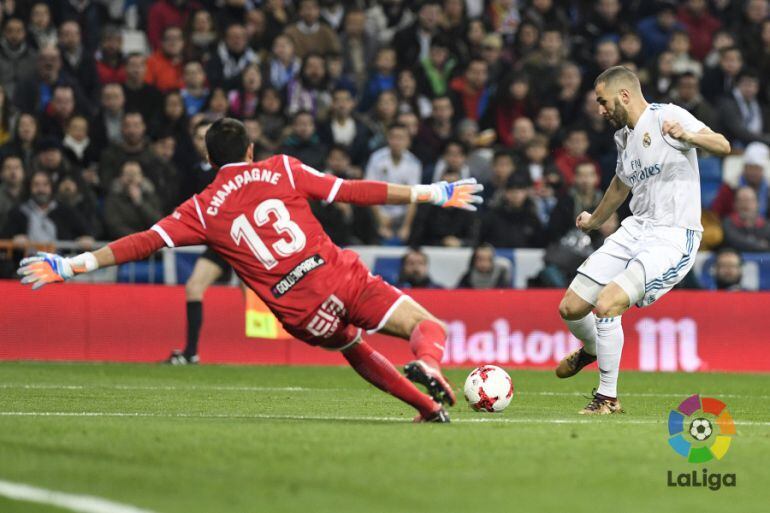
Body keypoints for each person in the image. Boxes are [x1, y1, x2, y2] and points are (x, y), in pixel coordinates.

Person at [18, 118, 485, 423]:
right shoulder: (281, 168)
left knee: (351, 344)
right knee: (427, 325)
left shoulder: (199, 209)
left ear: (208, 160)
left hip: (299, 312)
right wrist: (431, 193)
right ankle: (427, 363)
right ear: (250, 149)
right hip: (338, 275)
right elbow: (350, 191)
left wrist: (71, 264)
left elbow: (141, 244)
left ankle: (426, 407)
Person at [556, 66, 730, 414]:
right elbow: (621, 185)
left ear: (624, 95)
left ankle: (608, 398)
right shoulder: (624, 136)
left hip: (672, 235)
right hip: (636, 229)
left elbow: (722, 144)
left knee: (607, 304)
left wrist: (690, 136)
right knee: (571, 308)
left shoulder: (667, 115)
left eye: (603, 102)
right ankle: (593, 348)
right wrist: (594, 220)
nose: (600, 110)